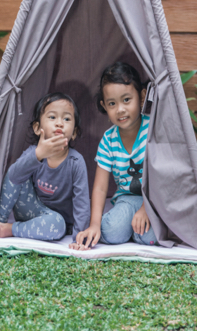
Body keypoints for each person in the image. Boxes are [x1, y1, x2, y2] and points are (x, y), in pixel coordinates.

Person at [0, 92, 90, 243]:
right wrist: (39, 154)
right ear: (37, 128)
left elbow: (82, 204)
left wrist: (79, 237)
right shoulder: (33, 153)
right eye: (52, 117)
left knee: (57, 225)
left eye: (67, 119)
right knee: (16, 173)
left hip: (59, 222)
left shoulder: (76, 162)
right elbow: (13, 177)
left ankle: (12, 229)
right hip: (32, 210)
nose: (59, 123)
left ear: (74, 132)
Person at [73, 62, 158, 250]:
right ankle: (132, 227)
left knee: (150, 237)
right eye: (112, 103)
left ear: (142, 97)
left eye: (126, 100)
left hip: (154, 200)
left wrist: (146, 209)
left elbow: (162, 177)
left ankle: (140, 228)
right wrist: (94, 224)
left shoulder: (152, 130)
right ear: (104, 106)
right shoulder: (108, 140)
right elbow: (101, 188)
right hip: (126, 199)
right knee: (109, 231)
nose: (120, 109)